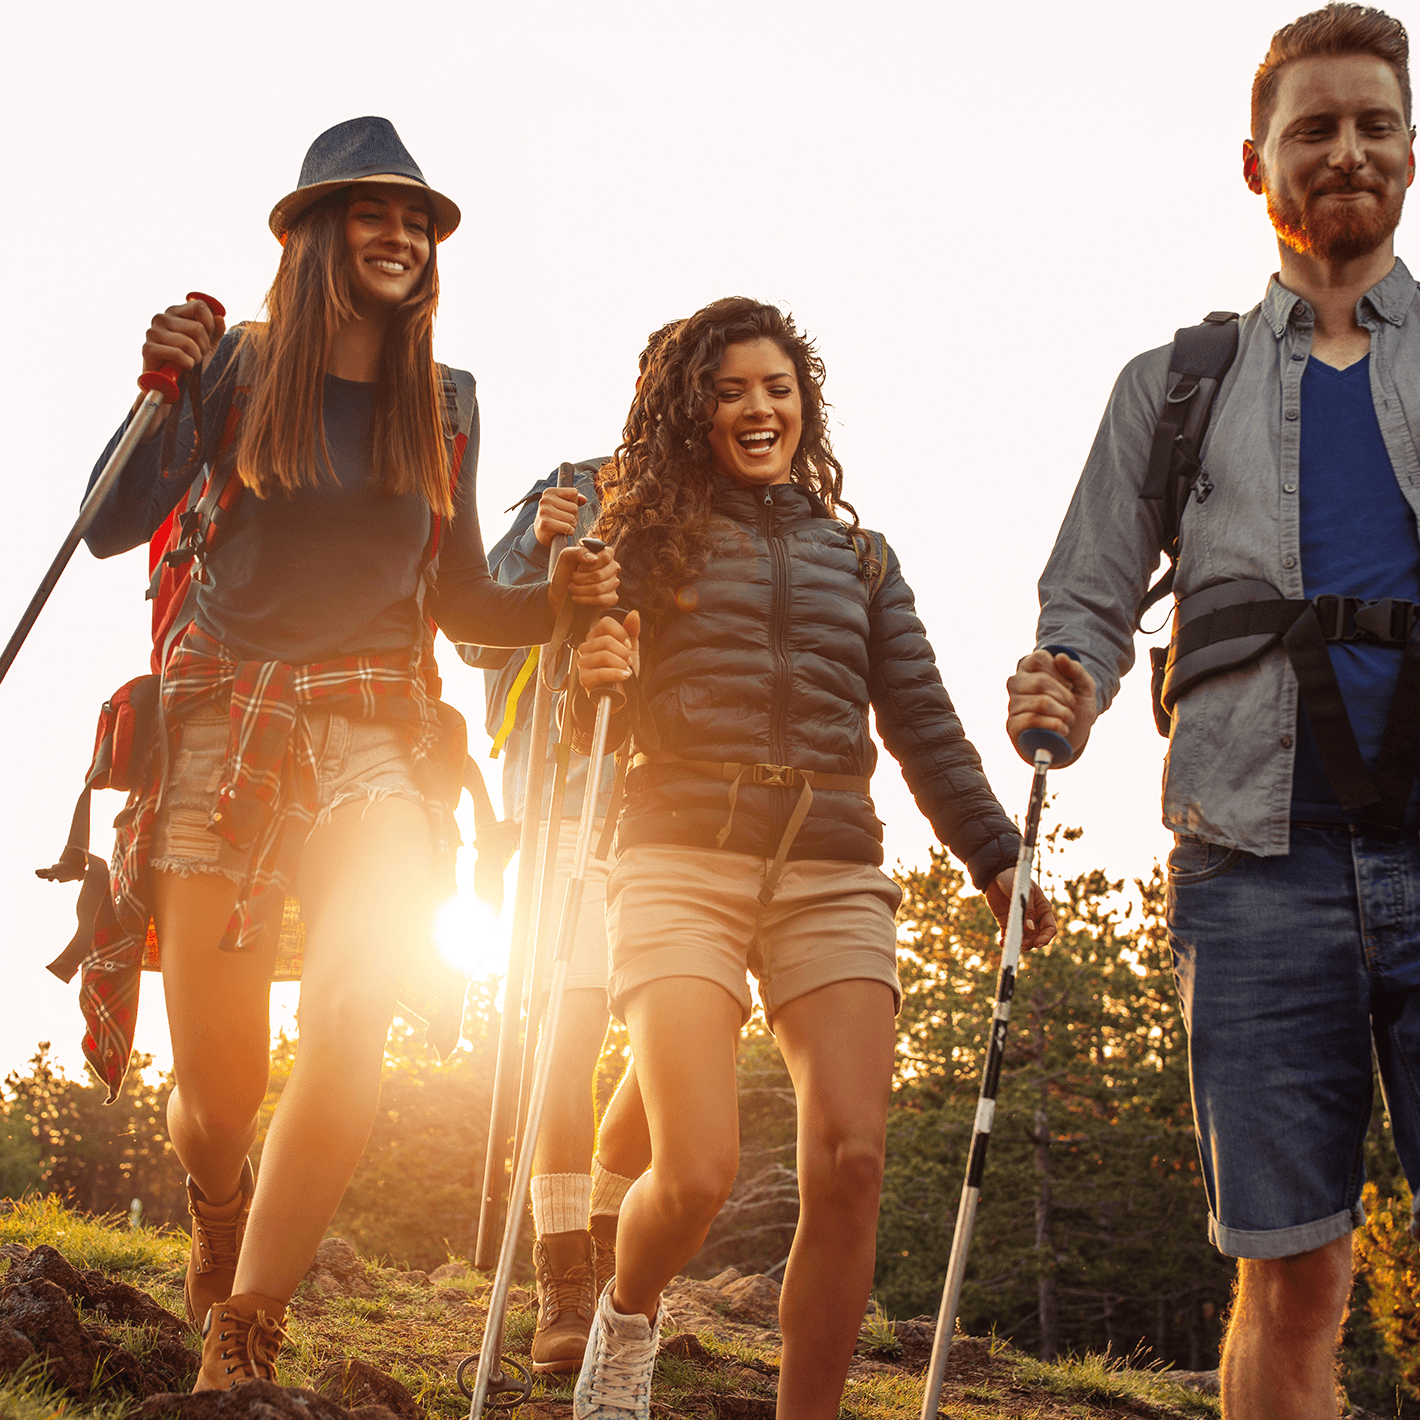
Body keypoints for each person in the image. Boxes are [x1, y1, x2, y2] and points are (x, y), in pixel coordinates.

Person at [77, 116, 616, 1391]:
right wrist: (156, 389)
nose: (401, 236)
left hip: (378, 729)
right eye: (374, 214)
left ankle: (248, 1319)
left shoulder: (448, 402)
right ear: (314, 234)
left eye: (418, 221)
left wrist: (558, 592)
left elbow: (462, 610)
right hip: (223, 723)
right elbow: (109, 529)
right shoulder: (236, 368)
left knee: (355, 1013)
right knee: (217, 1094)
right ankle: (221, 1201)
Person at [1006, 8, 1420, 1417]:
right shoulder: (1175, 385)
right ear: (1257, 164)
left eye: (1374, 122)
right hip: (1254, 871)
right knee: (1290, 1275)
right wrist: (1063, 679)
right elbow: (1087, 601)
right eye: (1315, 128)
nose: (1347, 149)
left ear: (1412, 151)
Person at [569, 297, 1056, 1420]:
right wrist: (588, 668)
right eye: (732, 389)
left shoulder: (862, 558)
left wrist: (994, 856)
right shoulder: (636, 544)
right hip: (680, 857)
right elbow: (578, 720)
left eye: (777, 389)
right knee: (694, 1173)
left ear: (805, 407)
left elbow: (923, 722)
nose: (758, 408)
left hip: (829, 866)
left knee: (849, 1162)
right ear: (690, 409)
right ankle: (626, 1316)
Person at [464, 455, 652, 1372]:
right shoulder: (569, 492)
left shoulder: (733, 504)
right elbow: (477, 636)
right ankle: (565, 1276)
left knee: (674, 1058)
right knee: (566, 1036)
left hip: (684, 814)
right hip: (562, 799)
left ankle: (608, 1233)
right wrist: (541, 548)